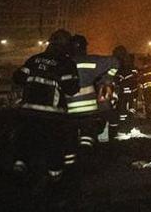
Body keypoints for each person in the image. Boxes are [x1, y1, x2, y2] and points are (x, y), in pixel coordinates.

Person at [11, 29, 79, 180]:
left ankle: (19, 170)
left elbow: (18, 78)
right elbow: (72, 89)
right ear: (67, 45)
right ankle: (55, 179)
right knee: (54, 147)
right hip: (52, 116)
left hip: (28, 112)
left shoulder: (34, 59)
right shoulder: (66, 63)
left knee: (25, 142)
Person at [66, 33, 118, 149]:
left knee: (70, 142)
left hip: (68, 111)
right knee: (87, 139)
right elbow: (115, 62)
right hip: (89, 111)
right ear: (85, 47)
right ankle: (86, 158)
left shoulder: (63, 63)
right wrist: (107, 79)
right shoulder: (92, 61)